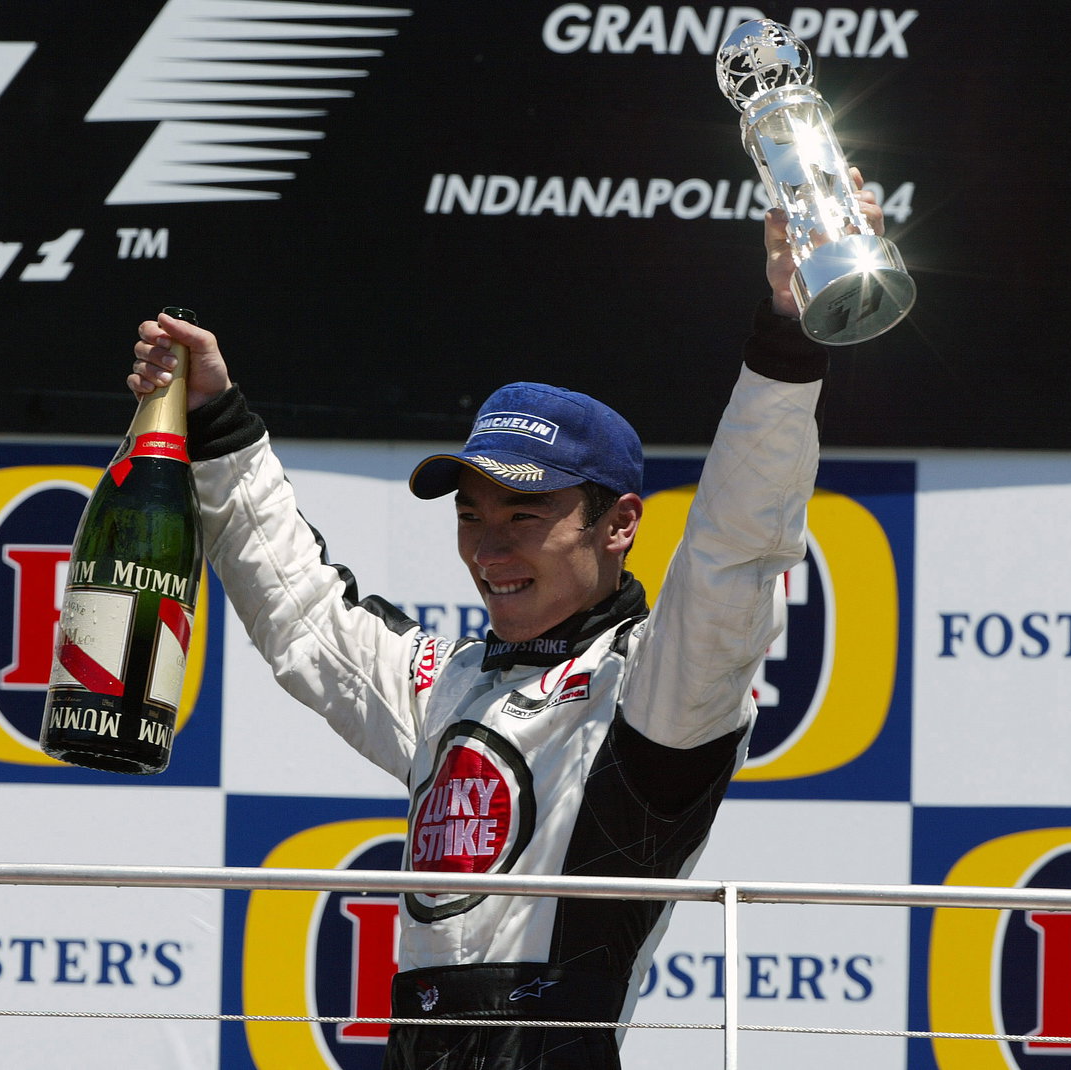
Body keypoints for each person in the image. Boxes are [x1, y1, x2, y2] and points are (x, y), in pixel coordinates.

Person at [130, 175, 884, 1069]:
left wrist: (788, 337)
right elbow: (299, 607)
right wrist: (216, 415)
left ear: (619, 525)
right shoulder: (448, 681)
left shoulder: (656, 688)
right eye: (470, 515)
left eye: (524, 517)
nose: (490, 547)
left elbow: (735, 549)